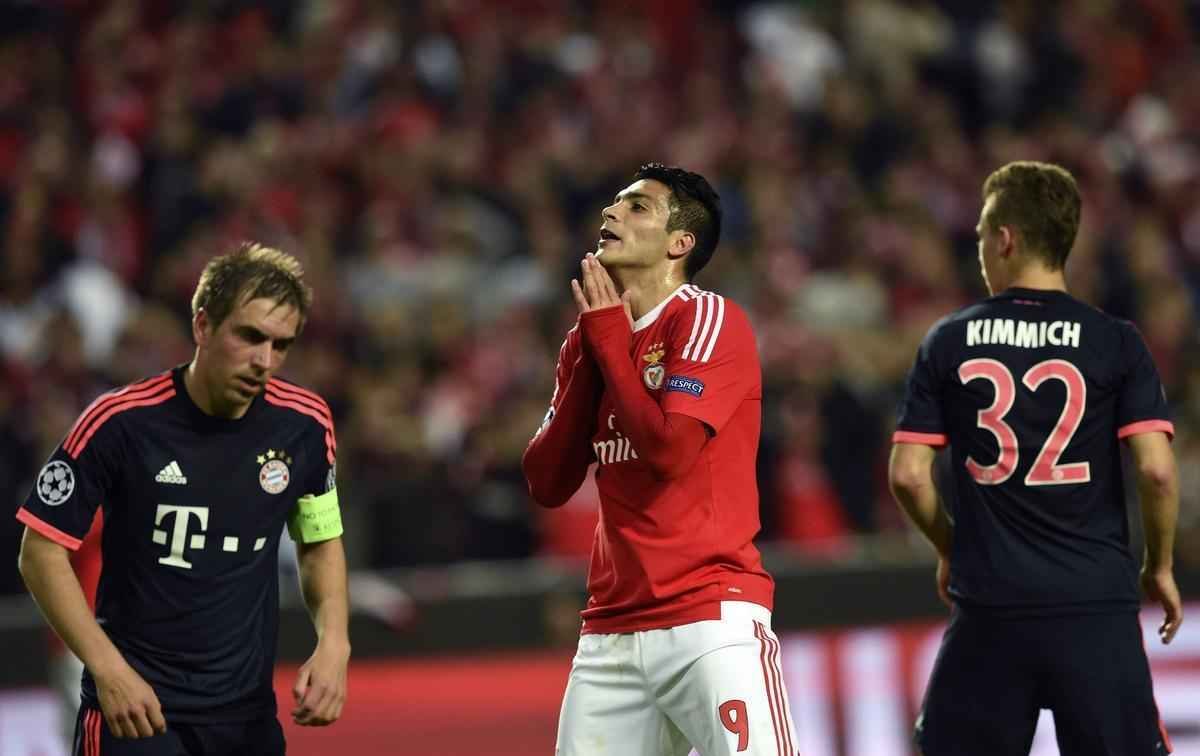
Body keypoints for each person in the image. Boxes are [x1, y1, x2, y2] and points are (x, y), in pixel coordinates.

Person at [889, 161, 1182, 756]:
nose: (978, 250)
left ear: (1005, 238)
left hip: (991, 608)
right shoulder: (1115, 341)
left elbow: (907, 475)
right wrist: (1160, 564)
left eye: (979, 236)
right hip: (1095, 608)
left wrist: (951, 547)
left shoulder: (949, 339)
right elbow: (1156, 468)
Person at [16, 242, 350, 756]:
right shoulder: (120, 422)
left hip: (245, 719)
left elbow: (319, 539)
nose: (264, 361)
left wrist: (334, 644)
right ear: (202, 326)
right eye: (250, 336)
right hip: (138, 713)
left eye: (281, 345)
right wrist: (106, 670)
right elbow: (40, 549)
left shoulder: (304, 425)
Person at [523, 163, 799, 756]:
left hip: (708, 619)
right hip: (610, 635)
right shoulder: (587, 339)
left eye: (636, 206)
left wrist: (608, 343)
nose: (610, 213)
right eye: (614, 204)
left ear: (681, 243)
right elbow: (547, 481)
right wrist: (595, 353)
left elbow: (669, 451)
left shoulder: (706, 318)